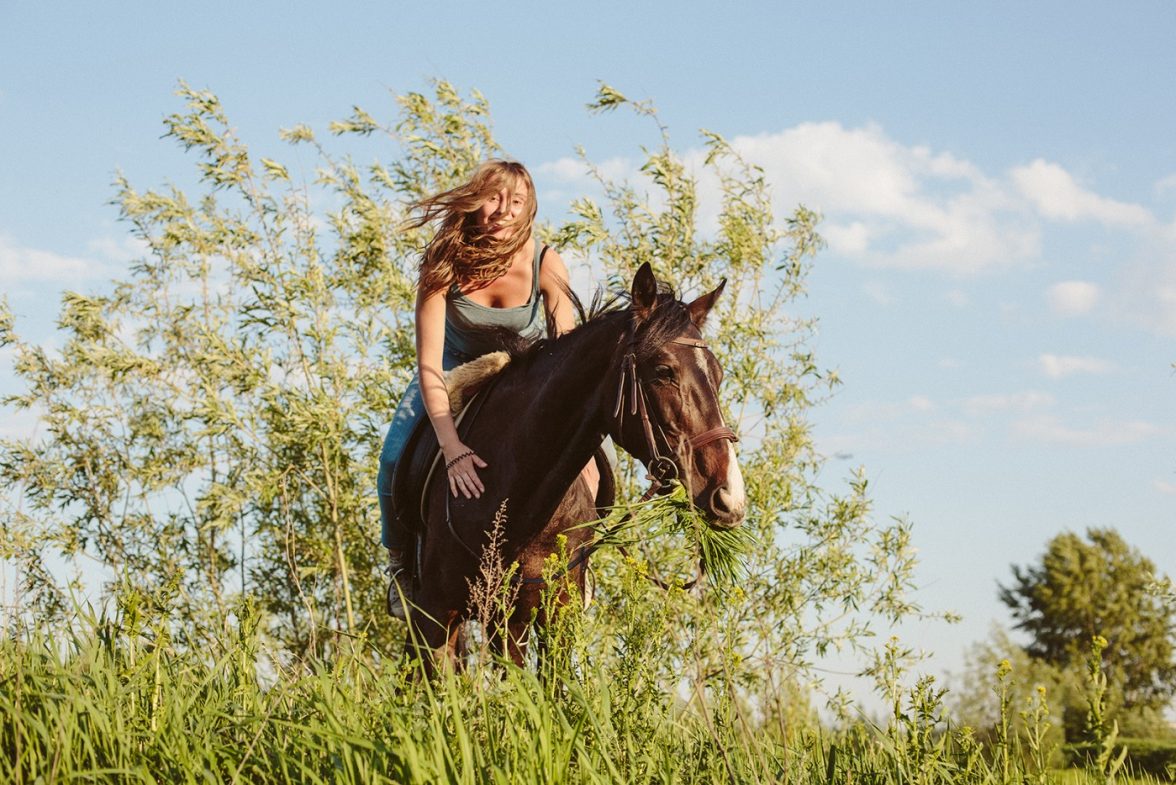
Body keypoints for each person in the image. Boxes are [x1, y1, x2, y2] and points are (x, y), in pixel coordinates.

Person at [377, 159, 597, 619]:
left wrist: (581, 438)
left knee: (595, 459)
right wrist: (452, 447)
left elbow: (567, 354)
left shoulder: (545, 262)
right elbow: (428, 363)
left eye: (516, 202)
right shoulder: (441, 264)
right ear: (474, 201)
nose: (503, 212)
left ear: (529, 208)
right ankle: (400, 566)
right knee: (394, 455)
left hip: (527, 372)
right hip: (453, 372)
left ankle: (584, 563)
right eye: (494, 198)